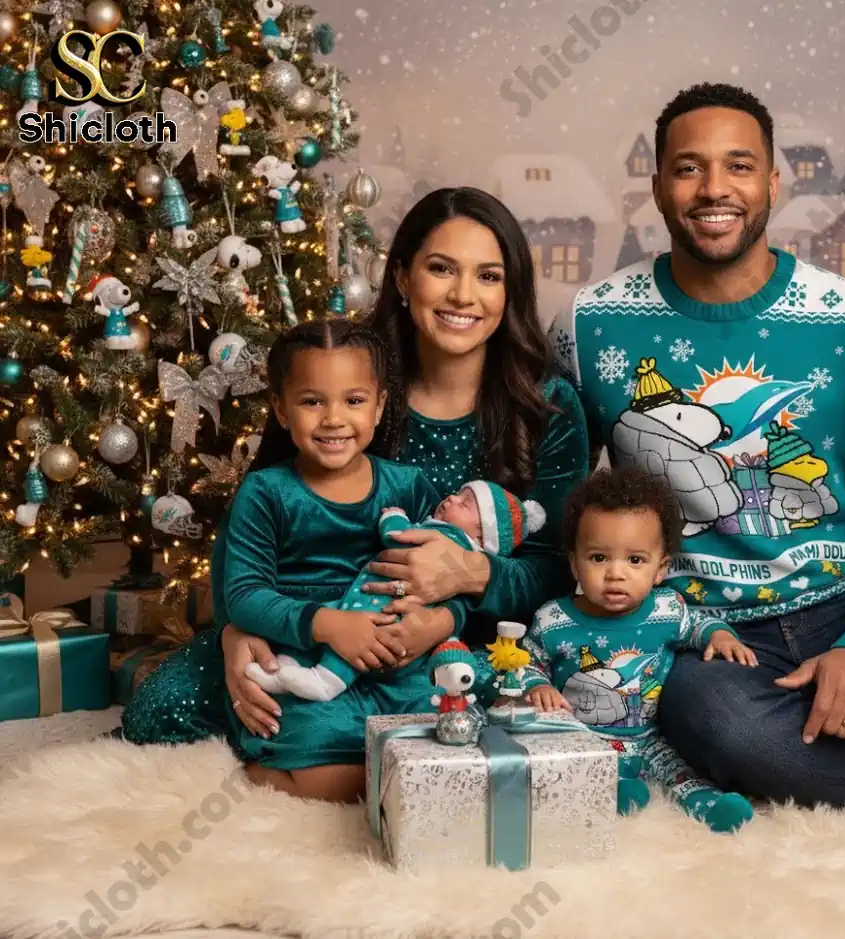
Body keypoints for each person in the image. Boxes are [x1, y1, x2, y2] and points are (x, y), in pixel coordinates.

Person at [548, 82, 845, 811]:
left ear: (773, 183)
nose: (714, 188)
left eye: (738, 165)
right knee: (729, 731)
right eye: (689, 167)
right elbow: (551, 495)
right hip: (699, 629)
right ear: (658, 185)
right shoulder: (591, 322)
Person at [120, 187, 590, 752]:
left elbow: (559, 569)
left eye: (489, 276)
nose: (463, 295)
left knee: (507, 723)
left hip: (465, 639)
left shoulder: (548, 406)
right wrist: (234, 633)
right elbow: (251, 526)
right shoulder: (341, 381)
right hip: (313, 623)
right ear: (401, 277)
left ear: (511, 289)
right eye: (441, 269)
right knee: (160, 712)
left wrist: (466, 585)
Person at [218, 318, 468, 800]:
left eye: (353, 401)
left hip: (400, 661)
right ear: (282, 410)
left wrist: (437, 622)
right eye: (312, 401)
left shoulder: (408, 486)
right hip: (306, 661)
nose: (334, 418)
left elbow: (453, 580)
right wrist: (327, 624)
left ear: (379, 407)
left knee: (449, 739)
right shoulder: (267, 492)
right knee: (335, 766)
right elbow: (245, 596)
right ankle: (270, 777)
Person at [522, 466, 756, 832]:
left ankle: (709, 805)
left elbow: (698, 626)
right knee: (574, 771)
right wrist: (537, 685)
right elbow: (525, 660)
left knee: (677, 771)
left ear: (660, 568)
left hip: (647, 737)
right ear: (574, 563)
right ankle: (613, 791)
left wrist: (719, 635)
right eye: (599, 558)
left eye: (635, 560)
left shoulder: (666, 610)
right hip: (580, 739)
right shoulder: (553, 620)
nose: (616, 573)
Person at [247, 479, 546, 701]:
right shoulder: (451, 535)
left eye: (465, 504)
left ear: (482, 532)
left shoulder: (447, 537)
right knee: (333, 620)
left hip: (386, 604)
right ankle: (288, 666)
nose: (451, 499)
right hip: (381, 598)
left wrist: (393, 517)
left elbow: (398, 538)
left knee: (362, 637)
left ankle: (326, 681)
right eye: (456, 494)